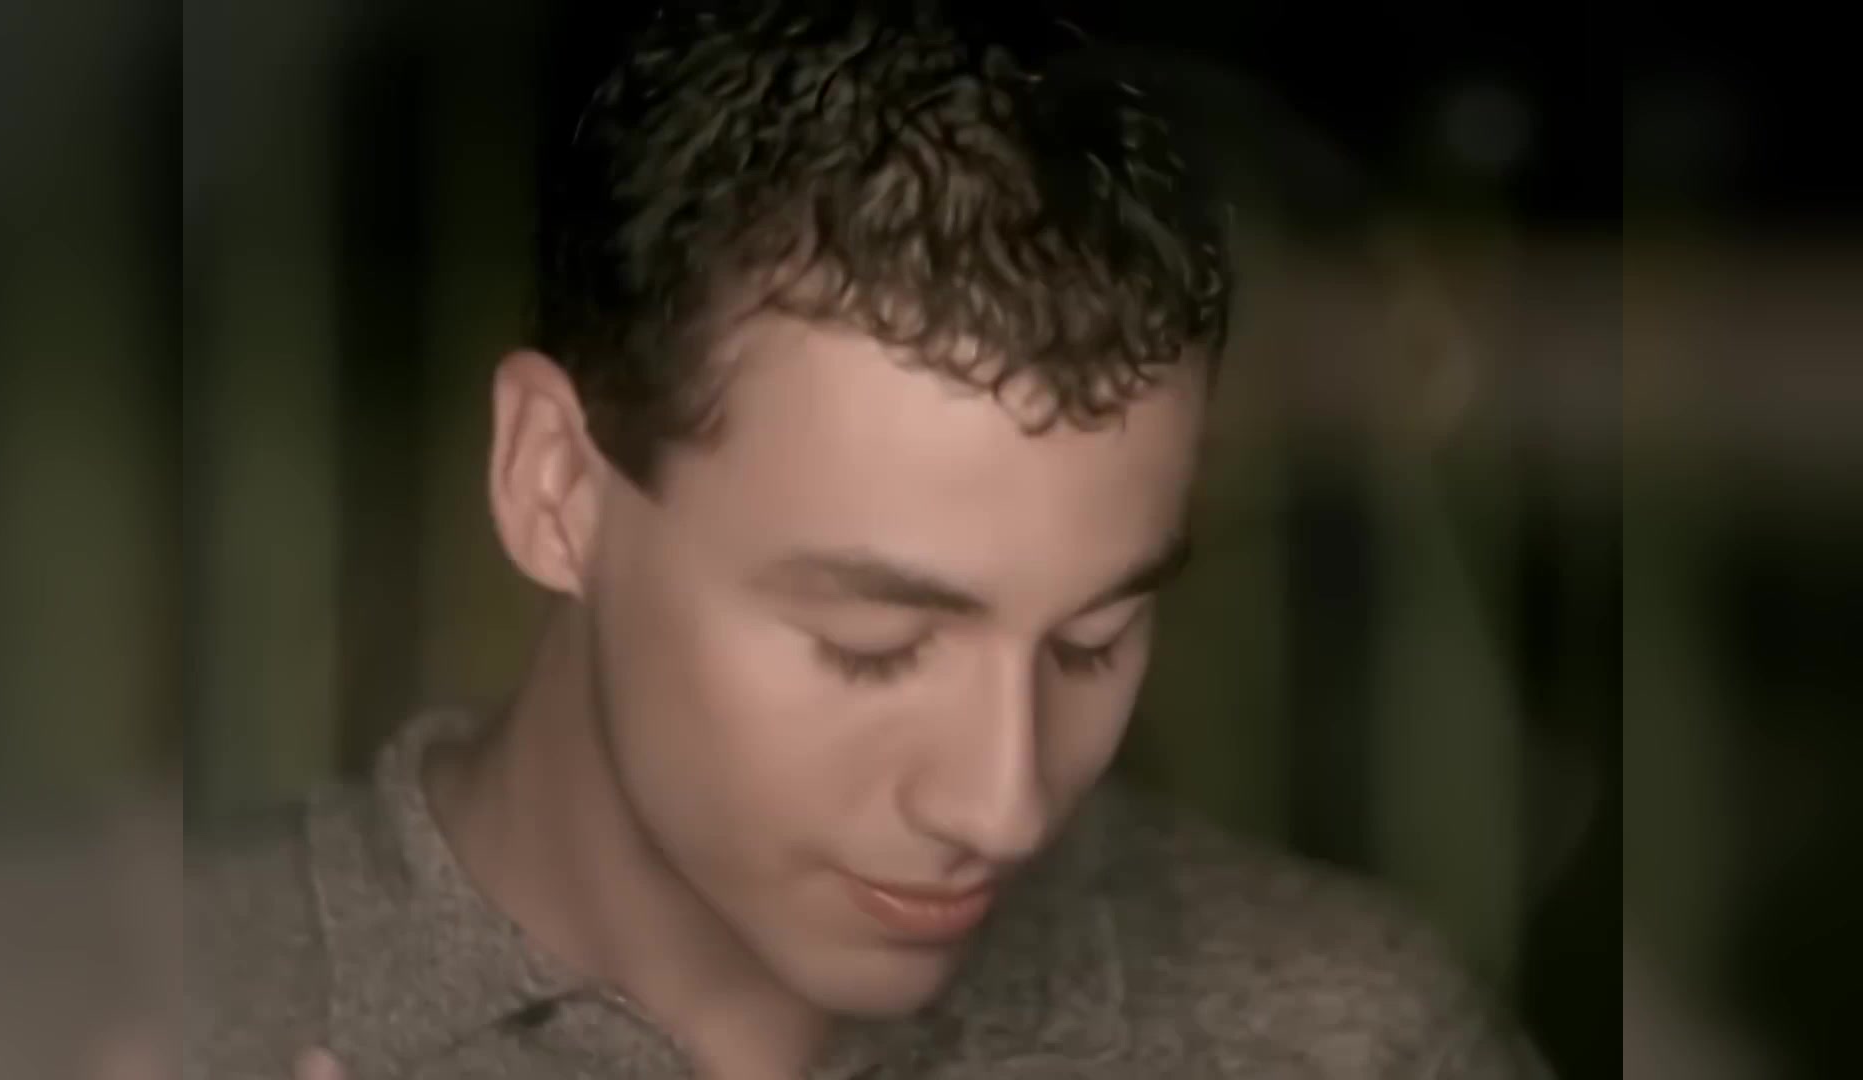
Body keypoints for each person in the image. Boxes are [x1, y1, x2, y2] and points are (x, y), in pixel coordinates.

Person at [190, 3, 1549, 1077]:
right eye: (874, 647)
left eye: (1094, 639)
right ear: (555, 486)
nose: (1003, 805)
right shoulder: (134, 1009)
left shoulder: (1345, 1040)